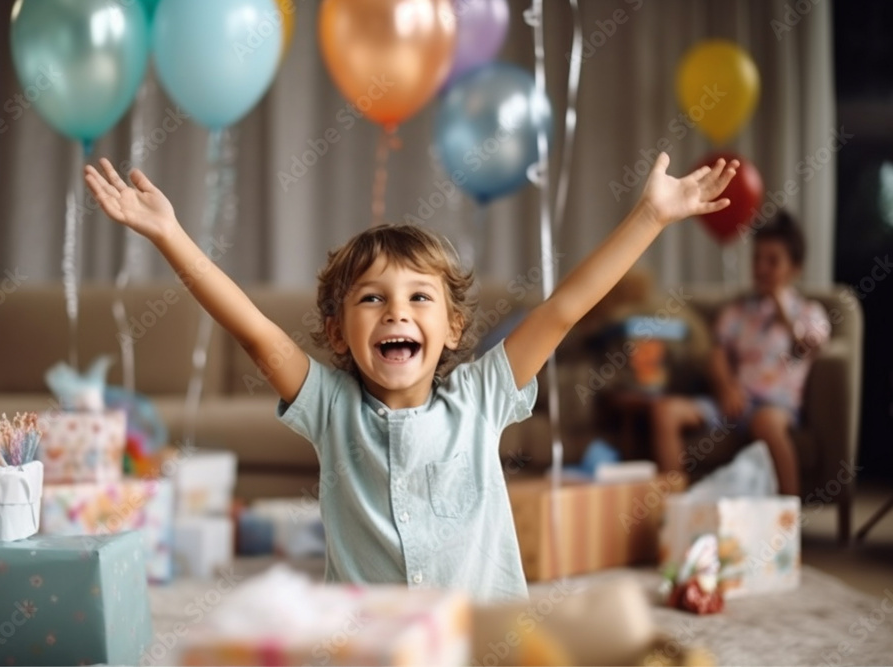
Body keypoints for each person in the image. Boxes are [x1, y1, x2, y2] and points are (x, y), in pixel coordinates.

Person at [84, 153, 737, 601]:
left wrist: (649, 215)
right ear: (338, 332)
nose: (397, 310)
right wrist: (168, 233)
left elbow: (564, 309)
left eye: (419, 298)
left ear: (453, 328)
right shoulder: (331, 407)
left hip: (480, 642)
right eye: (372, 298)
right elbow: (256, 332)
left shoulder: (482, 395)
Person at [651, 211, 831, 496]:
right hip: (733, 403)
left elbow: (809, 346)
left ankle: (788, 518)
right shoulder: (737, 312)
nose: (761, 267)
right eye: (757, 258)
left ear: (795, 268)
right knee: (665, 412)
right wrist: (726, 387)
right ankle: (674, 511)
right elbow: (717, 353)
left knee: (766, 424)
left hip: (776, 406)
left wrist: (781, 308)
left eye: (772, 261)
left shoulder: (809, 312)